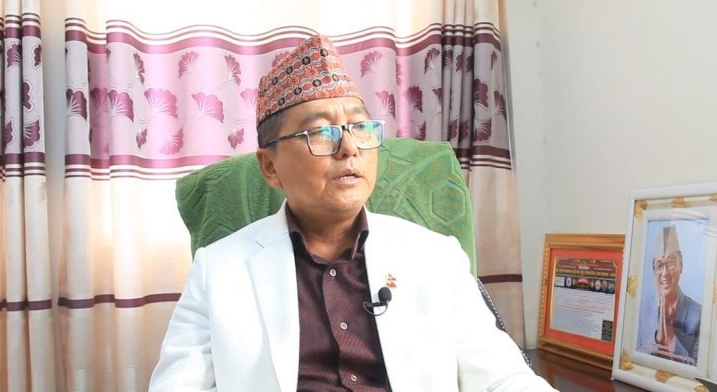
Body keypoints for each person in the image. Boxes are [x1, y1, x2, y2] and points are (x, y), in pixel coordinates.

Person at [149, 35, 556, 391]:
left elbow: (503, 378)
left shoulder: (437, 256)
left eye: (361, 128)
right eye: (320, 133)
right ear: (270, 167)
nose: (349, 148)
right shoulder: (218, 269)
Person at [638, 224, 701, 366]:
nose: (665, 273)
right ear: (653, 269)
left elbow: (698, 370)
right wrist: (657, 340)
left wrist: (671, 339)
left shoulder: (699, 315)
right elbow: (635, 359)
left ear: (681, 264)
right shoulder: (643, 309)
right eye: (659, 265)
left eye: (671, 263)